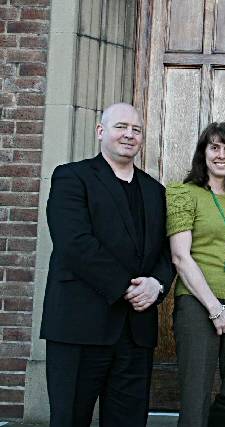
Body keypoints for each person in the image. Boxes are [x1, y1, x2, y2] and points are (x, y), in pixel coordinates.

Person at [40, 103, 175, 426]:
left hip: (135, 332)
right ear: (101, 132)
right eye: (121, 127)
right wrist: (126, 288)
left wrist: (157, 285)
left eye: (136, 129)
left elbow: (166, 251)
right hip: (79, 326)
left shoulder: (155, 191)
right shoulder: (71, 177)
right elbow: (74, 243)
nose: (129, 134)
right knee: (70, 418)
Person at [166, 122, 225, 427]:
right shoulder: (183, 193)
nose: (222, 155)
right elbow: (181, 257)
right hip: (197, 302)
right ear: (203, 153)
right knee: (195, 395)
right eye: (214, 147)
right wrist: (214, 308)